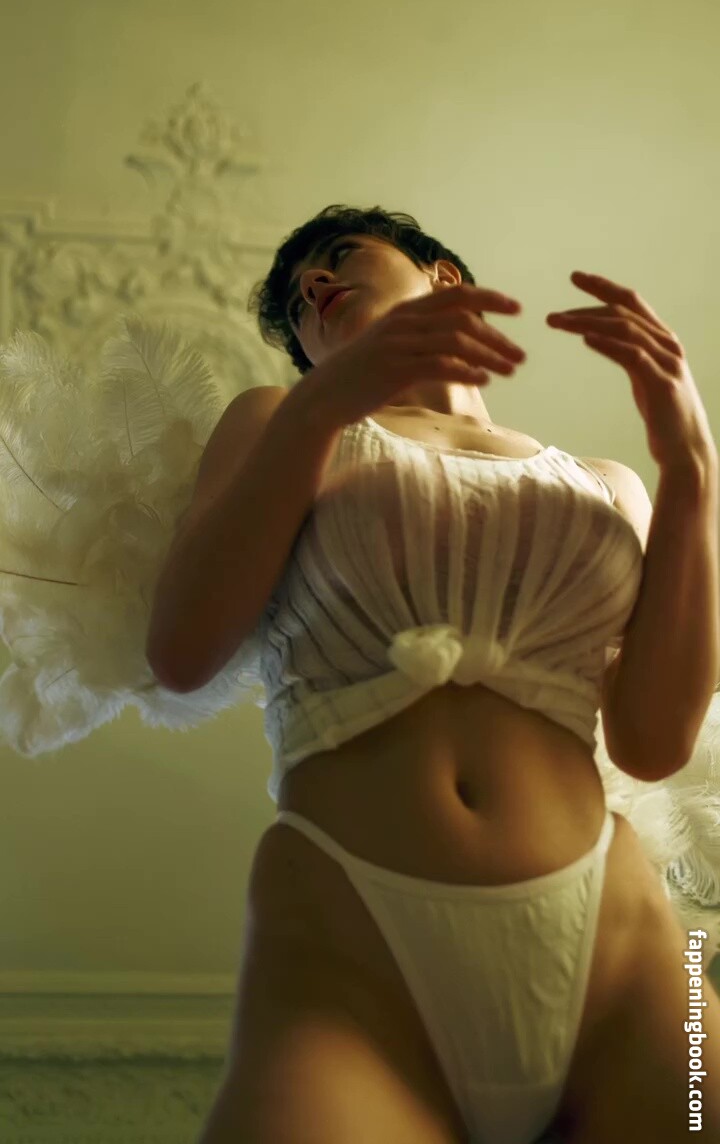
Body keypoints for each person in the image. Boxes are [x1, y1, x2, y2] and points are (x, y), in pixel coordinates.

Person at [2, 206, 719, 1142]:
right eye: (298, 300)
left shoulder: (611, 483)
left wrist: (692, 466)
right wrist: (319, 406)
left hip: (620, 948)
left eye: (340, 256)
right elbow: (180, 653)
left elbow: (654, 742)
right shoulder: (281, 423)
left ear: (444, 278)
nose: (314, 285)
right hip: (350, 947)